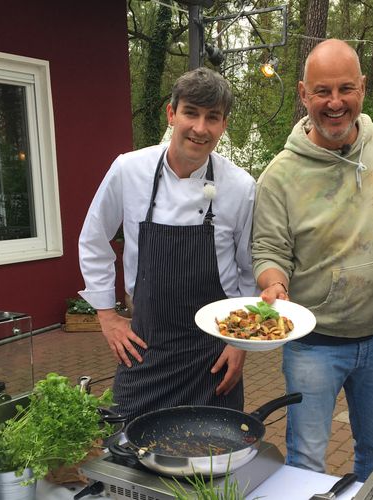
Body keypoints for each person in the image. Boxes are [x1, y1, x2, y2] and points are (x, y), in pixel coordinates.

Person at [252, 39, 373, 481]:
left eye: (346, 89)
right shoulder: (279, 176)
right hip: (313, 346)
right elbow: (269, 253)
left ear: (363, 87)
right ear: (303, 94)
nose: (335, 102)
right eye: (322, 91)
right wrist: (274, 284)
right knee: (306, 461)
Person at [78, 67, 256, 421]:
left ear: (224, 125)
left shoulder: (240, 186)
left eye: (213, 118)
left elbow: (248, 270)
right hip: (144, 352)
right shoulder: (129, 170)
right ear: (172, 114)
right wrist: (107, 316)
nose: (200, 128)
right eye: (191, 112)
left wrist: (240, 343)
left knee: (211, 461)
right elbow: (94, 238)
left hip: (213, 356)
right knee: (126, 448)